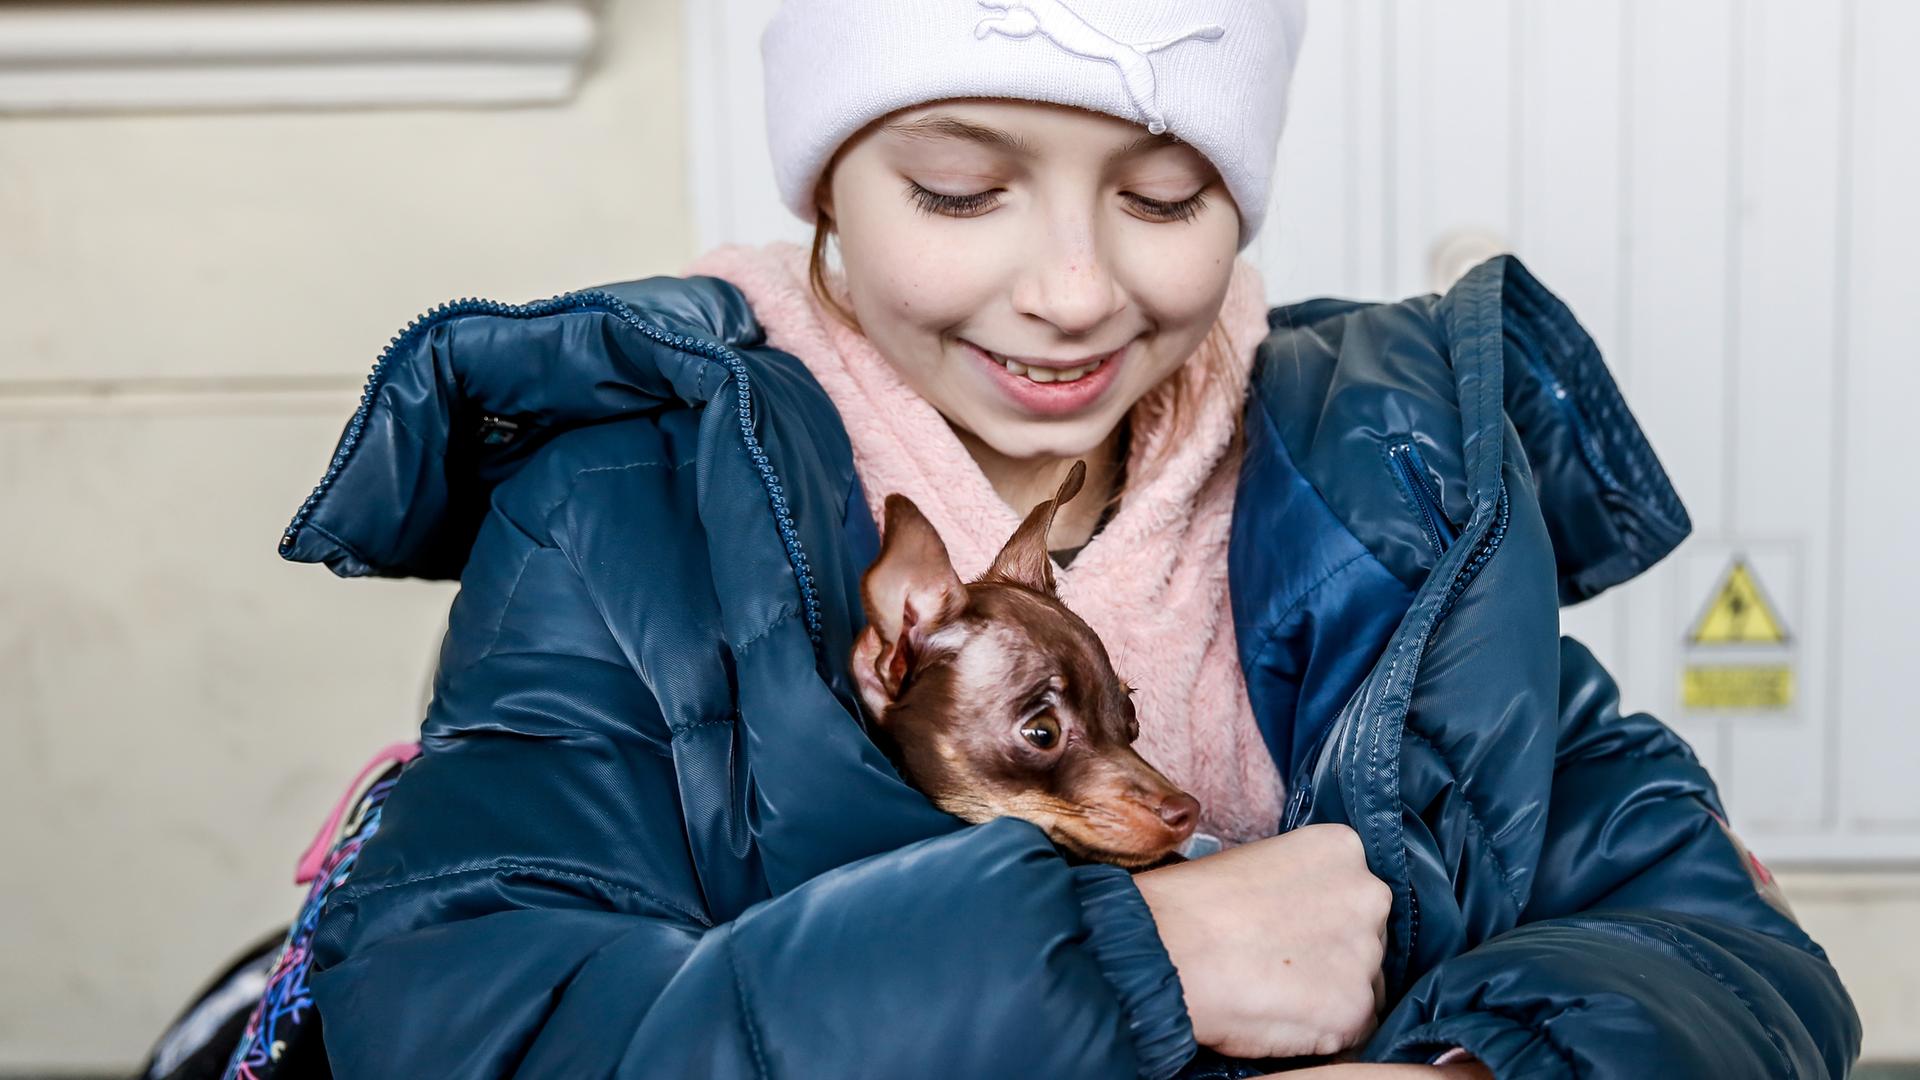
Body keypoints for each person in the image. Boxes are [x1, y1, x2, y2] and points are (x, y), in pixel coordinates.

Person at [270, 1, 1859, 1076]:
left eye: (1167, 198)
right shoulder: (623, 510)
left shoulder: (1390, 484)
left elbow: (1732, 954)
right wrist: (1123, 954)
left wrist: (1477, 1066)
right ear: (830, 179)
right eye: (962, 191)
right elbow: (460, 1012)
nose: (1076, 291)